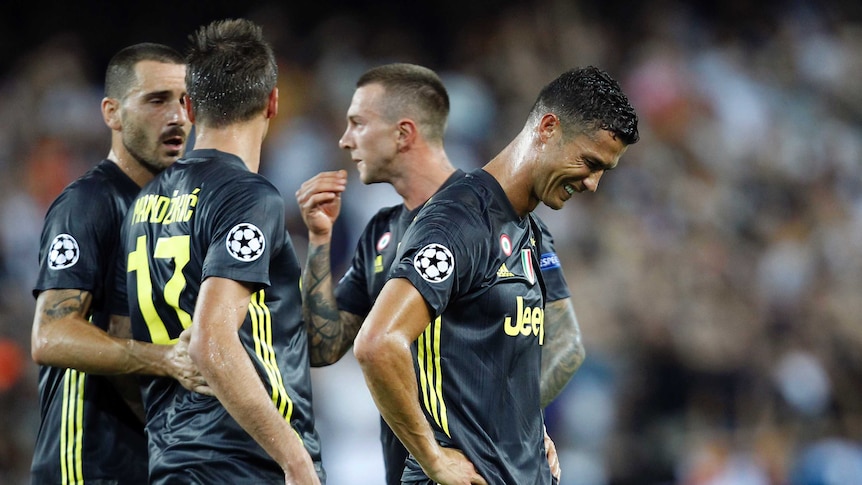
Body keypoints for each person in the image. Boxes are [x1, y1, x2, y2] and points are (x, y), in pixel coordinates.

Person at [296, 63, 585, 484]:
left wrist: (518, 426)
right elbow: (323, 347)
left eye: (358, 123)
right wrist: (319, 245)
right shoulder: (380, 231)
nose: (345, 140)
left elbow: (566, 344)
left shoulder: (497, 218)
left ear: (403, 133)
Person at [353, 66, 640, 484]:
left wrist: (522, 425)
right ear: (548, 127)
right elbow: (378, 343)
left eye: (604, 172)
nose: (593, 184)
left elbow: (566, 346)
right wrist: (433, 458)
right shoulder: (460, 221)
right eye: (589, 162)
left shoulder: (534, 232)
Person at [114, 18, 324, 484]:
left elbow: (126, 339)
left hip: (172, 460)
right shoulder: (250, 197)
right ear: (273, 102)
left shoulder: (142, 204)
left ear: (188, 106)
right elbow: (212, 341)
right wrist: (295, 462)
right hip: (244, 463)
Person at [29, 42, 204, 484]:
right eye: (157, 100)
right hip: (86, 460)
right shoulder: (89, 203)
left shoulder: (180, 207)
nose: (178, 116)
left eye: (185, 101)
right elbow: (51, 334)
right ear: (112, 113)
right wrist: (165, 360)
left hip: (153, 459)